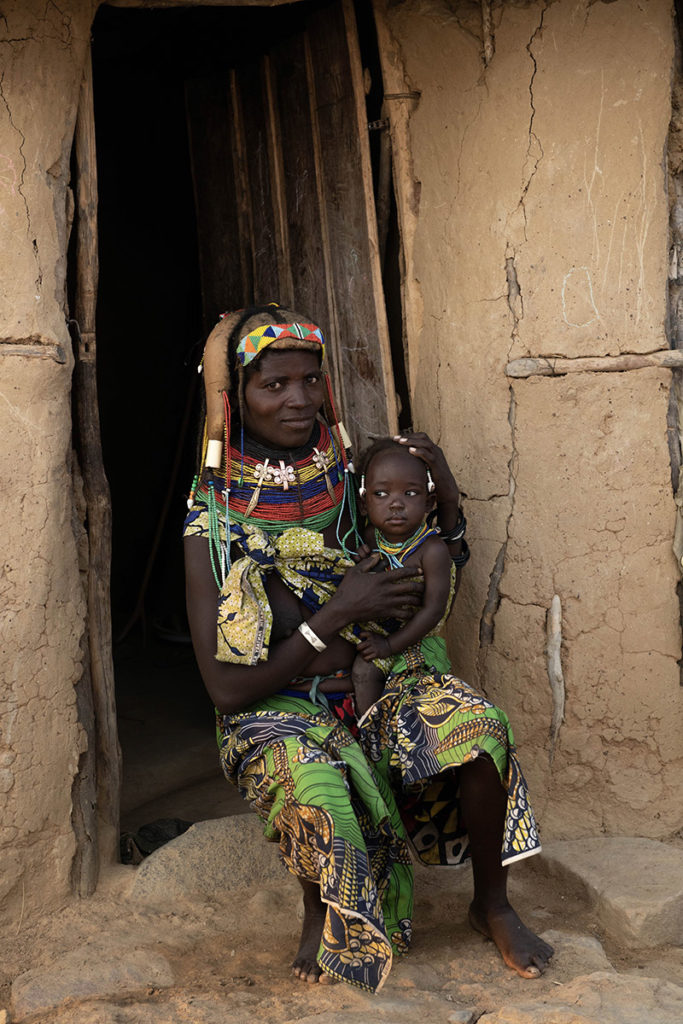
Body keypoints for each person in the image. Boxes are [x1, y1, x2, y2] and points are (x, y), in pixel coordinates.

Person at [183, 303, 553, 992]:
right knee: (312, 780)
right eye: (273, 385)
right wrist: (338, 615)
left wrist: (438, 482)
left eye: (310, 380)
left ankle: (492, 903)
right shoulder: (212, 516)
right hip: (274, 706)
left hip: (380, 676)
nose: (298, 399)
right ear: (237, 398)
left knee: (478, 730)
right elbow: (229, 690)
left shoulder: (357, 479)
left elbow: (431, 556)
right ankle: (323, 908)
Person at [350, 438, 455, 718]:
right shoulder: (370, 538)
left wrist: (389, 646)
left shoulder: (432, 550)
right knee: (362, 670)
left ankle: (398, 738)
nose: (396, 504)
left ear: (429, 501)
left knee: (414, 691)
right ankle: (373, 738)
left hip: (419, 642)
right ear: (363, 503)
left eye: (410, 493)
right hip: (379, 637)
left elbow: (433, 611)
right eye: (381, 494)